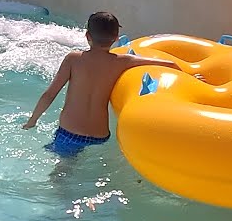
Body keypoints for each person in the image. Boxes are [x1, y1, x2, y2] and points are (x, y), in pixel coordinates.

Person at [22, 11, 180, 157]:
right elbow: (170, 65)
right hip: (100, 136)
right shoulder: (123, 61)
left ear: (87, 36)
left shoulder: (73, 59)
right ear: (117, 38)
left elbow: (49, 94)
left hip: (70, 133)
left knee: (62, 171)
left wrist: (33, 120)